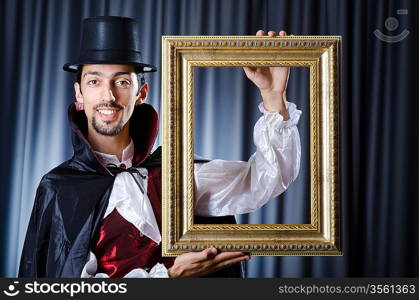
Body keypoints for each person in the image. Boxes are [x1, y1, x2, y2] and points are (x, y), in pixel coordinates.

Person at [18, 16, 301, 278]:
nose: (108, 94)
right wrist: (169, 276)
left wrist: (272, 96)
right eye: (94, 81)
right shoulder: (59, 189)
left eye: (122, 81)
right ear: (79, 92)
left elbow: (267, 179)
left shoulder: (177, 173)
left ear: (141, 93)